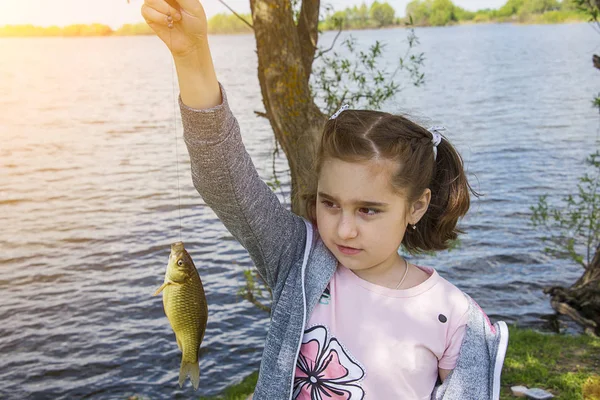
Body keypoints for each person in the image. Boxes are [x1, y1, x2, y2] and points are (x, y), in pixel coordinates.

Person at [141, 0, 509, 399]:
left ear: (416, 206)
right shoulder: (298, 260)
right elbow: (222, 176)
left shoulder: (458, 320)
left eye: (368, 209)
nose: (343, 228)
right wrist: (191, 55)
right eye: (329, 203)